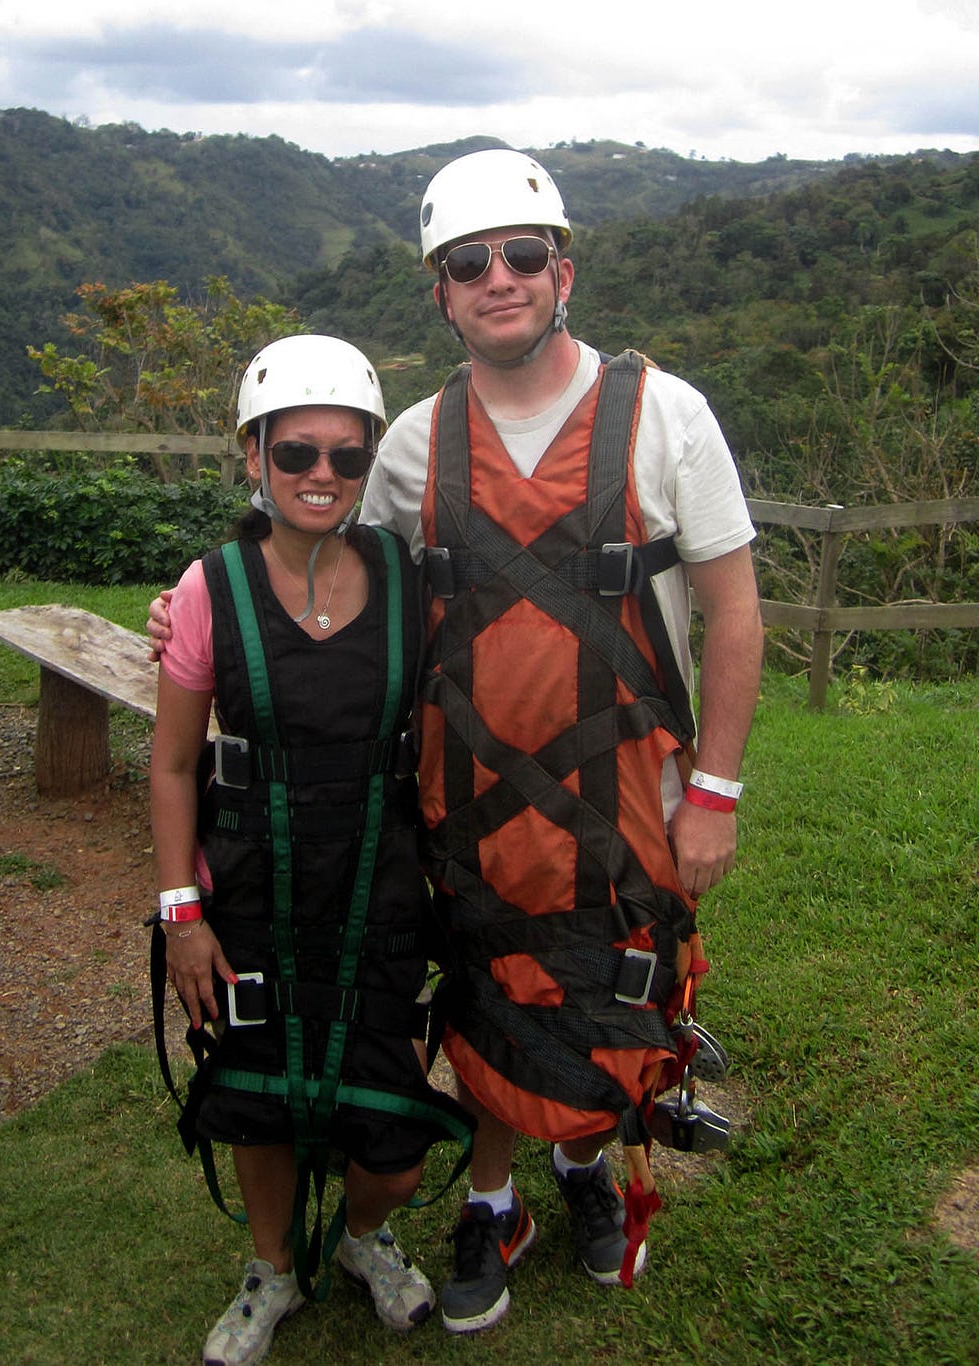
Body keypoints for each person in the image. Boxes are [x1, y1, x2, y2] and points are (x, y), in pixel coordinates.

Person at [150, 149, 763, 1334]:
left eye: (520, 255)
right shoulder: (409, 446)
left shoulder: (664, 414)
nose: (498, 278)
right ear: (439, 292)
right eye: (467, 263)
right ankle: (493, 1196)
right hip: (466, 788)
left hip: (631, 777)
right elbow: (333, 572)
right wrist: (205, 609)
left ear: (561, 269)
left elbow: (735, 608)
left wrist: (719, 788)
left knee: (614, 972)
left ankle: (582, 1167)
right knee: (486, 981)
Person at [149, 334, 470, 1366]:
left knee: (396, 1137)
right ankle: (273, 1267)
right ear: (254, 457)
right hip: (250, 885)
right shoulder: (210, 591)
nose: (321, 476)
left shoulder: (410, 579)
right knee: (259, 1097)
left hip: (377, 883)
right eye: (295, 454)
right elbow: (169, 766)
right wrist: (181, 915)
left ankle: (366, 1233)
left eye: (345, 455)